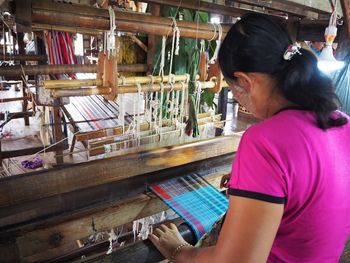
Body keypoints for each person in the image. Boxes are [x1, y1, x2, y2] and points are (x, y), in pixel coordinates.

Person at [149, 13, 350, 263]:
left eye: (233, 89)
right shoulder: (342, 124)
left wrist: (179, 250)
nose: (236, 96)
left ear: (244, 81)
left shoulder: (265, 142)